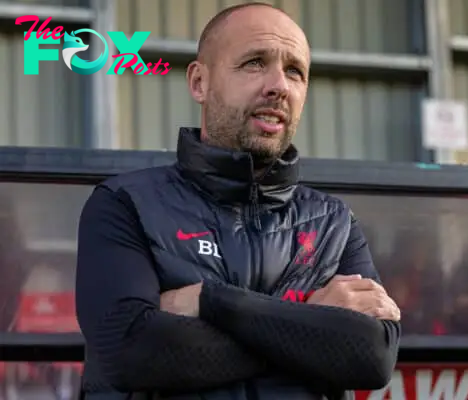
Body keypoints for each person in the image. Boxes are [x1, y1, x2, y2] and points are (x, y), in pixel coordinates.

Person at [75, 2, 402, 399]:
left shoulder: (334, 223)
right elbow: (129, 352)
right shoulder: (126, 204)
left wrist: (211, 300)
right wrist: (312, 327)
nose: (278, 85)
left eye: (295, 71)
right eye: (254, 63)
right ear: (199, 82)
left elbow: (372, 356)